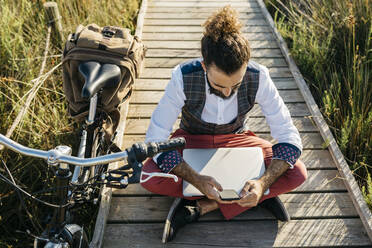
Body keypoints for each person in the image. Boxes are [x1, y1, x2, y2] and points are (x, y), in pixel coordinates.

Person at [140, 6, 307, 242]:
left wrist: (262, 182)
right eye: (219, 86)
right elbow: (155, 138)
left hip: (238, 139)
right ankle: (253, 200)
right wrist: (196, 179)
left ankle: (202, 206)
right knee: (148, 176)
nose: (228, 92)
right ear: (204, 65)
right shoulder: (182, 76)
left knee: (298, 172)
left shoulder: (259, 76)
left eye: (236, 85)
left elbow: (289, 136)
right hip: (191, 138)